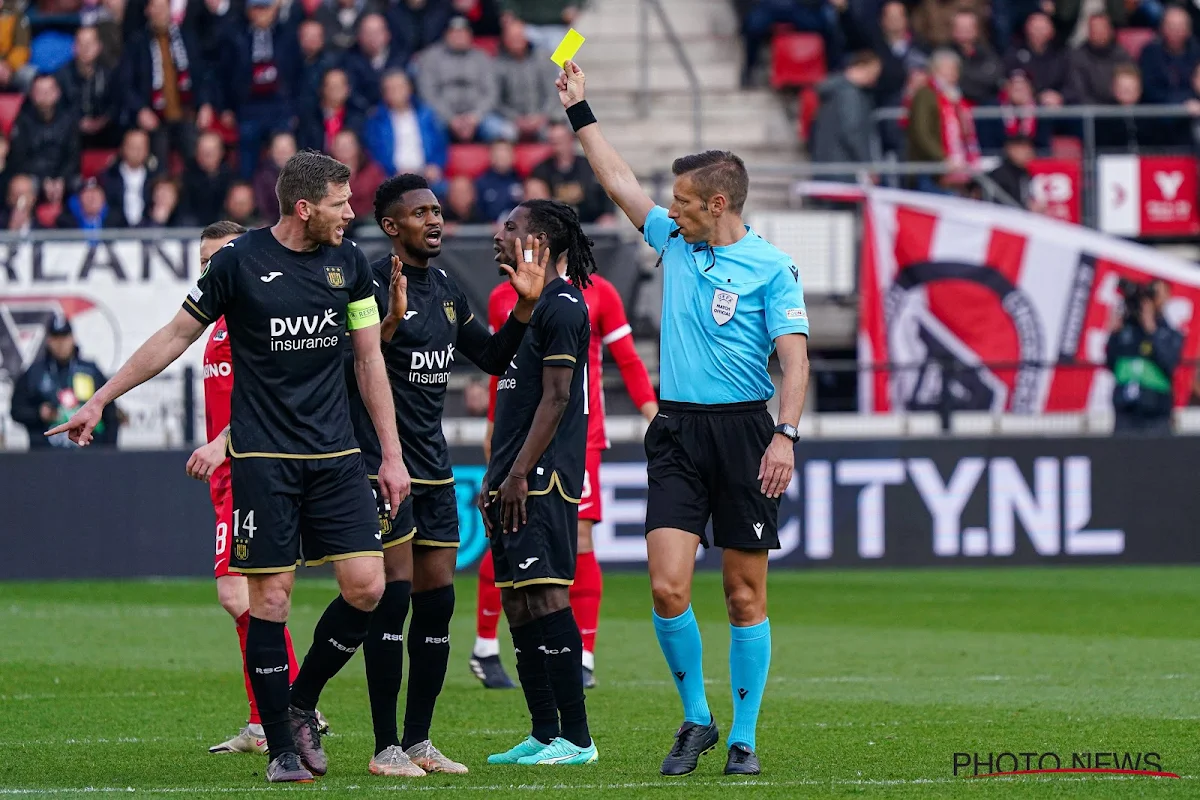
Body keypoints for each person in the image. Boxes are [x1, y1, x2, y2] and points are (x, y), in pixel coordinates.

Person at [47, 150, 410, 784]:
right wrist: (101, 399)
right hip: (264, 460)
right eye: (340, 204)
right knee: (269, 600)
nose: (352, 214)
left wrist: (391, 452)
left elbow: (368, 361)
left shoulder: (349, 263)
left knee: (367, 587)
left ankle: (299, 703)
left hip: (335, 457)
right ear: (304, 208)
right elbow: (172, 337)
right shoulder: (239, 264)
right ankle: (282, 752)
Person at [556, 60, 810, 776]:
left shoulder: (770, 268)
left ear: (719, 202)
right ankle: (697, 719)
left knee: (741, 593)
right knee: (667, 585)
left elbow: (795, 362)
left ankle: (745, 738)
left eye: (685, 203)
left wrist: (785, 436)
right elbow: (618, 182)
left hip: (745, 433)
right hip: (675, 429)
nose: (671, 211)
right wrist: (580, 108)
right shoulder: (676, 239)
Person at [335, 173, 544, 777]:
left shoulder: (449, 287)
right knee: (391, 602)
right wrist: (392, 322)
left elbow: (496, 357)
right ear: (391, 225)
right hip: (384, 464)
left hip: (434, 466)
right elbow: (351, 368)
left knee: (437, 605)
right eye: (420, 212)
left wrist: (525, 309)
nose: (435, 220)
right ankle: (384, 747)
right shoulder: (371, 281)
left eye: (436, 210)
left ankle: (420, 740)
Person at [471, 271, 658, 690]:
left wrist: (652, 415)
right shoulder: (504, 296)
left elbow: (627, 357)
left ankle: (583, 656)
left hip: (579, 440)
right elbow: (502, 367)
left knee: (581, 540)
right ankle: (485, 647)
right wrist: (491, 423)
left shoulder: (600, 291)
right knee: (508, 533)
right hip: (519, 438)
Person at [481, 198, 598, 767]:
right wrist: (498, 474)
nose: (498, 235)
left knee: (549, 596)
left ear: (540, 246)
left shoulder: (565, 306)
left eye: (511, 228)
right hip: (511, 479)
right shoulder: (528, 309)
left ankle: (577, 739)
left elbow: (556, 399)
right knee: (521, 606)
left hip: (542, 480)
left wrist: (521, 473)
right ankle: (545, 731)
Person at [186, 220, 303, 756]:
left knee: (238, 592)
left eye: (221, 257)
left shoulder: (259, 320)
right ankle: (266, 720)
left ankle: (292, 707)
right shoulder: (216, 323)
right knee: (248, 596)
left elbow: (273, 400)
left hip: (251, 470)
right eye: (204, 261)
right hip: (226, 477)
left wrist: (222, 445)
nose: (212, 268)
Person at [10, 315, 120, 449]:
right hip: (45, 455)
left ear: (73, 338)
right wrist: (38, 413)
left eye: (65, 337)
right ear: (49, 340)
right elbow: (16, 410)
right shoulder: (34, 373)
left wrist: (109, 450)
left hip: (89, 453)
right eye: (56, 338)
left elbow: (111, 412)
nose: (61, 343)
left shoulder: (91, 370)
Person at [1106, 279, 1182, 436]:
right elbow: (1111, 363)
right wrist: (1113, 334)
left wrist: (1152, 330)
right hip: (1125, 409)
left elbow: (1169, 363)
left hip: (1156, 411)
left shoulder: (1169, 333)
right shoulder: (1128, 330)